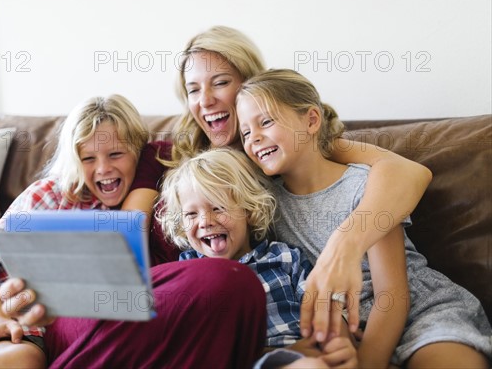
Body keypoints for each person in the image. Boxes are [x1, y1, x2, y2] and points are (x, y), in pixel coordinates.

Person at [168, 25, 433, 342]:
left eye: (221, 83)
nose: (206, 100)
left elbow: (409, 173)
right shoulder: (188, 166)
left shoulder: (299, 147)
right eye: (193, 89)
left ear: (248, 85)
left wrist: (344, 244)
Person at [0, 95, 177, 368]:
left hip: (30, 325)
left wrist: (9, 322)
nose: (103, 168)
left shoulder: (135, 214)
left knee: (24, 361)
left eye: (115, 154)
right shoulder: (53, 193)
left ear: (138, 155)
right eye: (88, 158)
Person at [236, 68, 492, 368]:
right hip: (345, 326)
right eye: (245, 132)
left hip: (418, 311)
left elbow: (392, 294)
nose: (254, 138)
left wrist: (369, 363)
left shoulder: (365, 186)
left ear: (311, 120)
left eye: (265, 122)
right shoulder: (268, 204)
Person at [158, 147, 358, 368]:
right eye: (191, 214)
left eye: (218, 207)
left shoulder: (284, 258)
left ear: (249, 211)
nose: (205, 221)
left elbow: (323, 310)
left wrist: (338, 342)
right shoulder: (185, 272)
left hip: (298, 357)